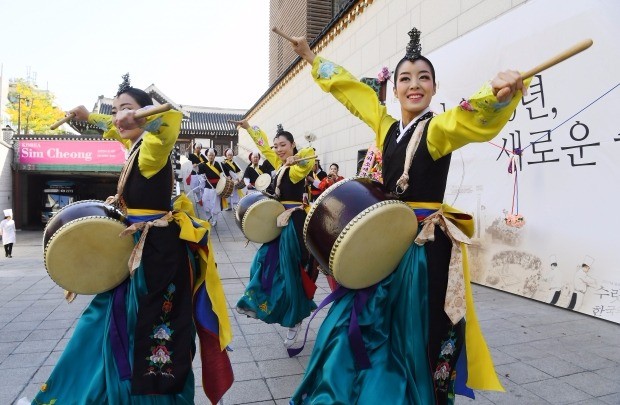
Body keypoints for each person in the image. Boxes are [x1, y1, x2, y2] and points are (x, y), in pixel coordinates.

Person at [289, 27, 529, 404]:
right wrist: (311, 59)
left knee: (419, 331)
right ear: (395, 88)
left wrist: (496, 98)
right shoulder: (386, 128)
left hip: (425, 249)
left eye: (423, 78)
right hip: (386, 243)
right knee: (362, 326)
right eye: (405, 78)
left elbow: (470, 119)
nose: (414, 85)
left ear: (434, 87)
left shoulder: (438, 129)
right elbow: (356, 95)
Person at [32, 75, 233, 404]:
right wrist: (90, 118)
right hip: (142, 249)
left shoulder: (153, 150)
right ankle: (103, 388)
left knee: (147, 331)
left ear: (146, 114)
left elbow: (171, 120)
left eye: (129, 110)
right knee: (106, 320)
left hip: (156, 257)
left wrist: (140, 116)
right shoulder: (137, 146)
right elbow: (117, 128)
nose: (120, 118)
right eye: (115, 111)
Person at [232, 120, 318, 348]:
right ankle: (263, 302)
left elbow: (310, 157)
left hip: (294, 225)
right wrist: (250, 128)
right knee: (262, 262)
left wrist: (298, 156)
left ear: (292, 145)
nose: (279, 149)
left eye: (284, 145)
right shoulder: (279, 166)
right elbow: (265, 149)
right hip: (277, 224)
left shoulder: (298, 167)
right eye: (277, 145)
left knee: (290, 273)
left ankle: (294, 321)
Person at [198, 148, 225, 226]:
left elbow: (222, 175)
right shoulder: (203, 165)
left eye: (212, 155)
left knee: (215, 204)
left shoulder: (219, 164)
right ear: (207, 155)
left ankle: (215, 220)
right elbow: (200, 176)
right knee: (205, 201)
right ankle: (208, 217)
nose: (211, 157)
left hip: (216, 188)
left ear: (214, 156)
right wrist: (202, 178)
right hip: (207, 186)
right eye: (209, 155)